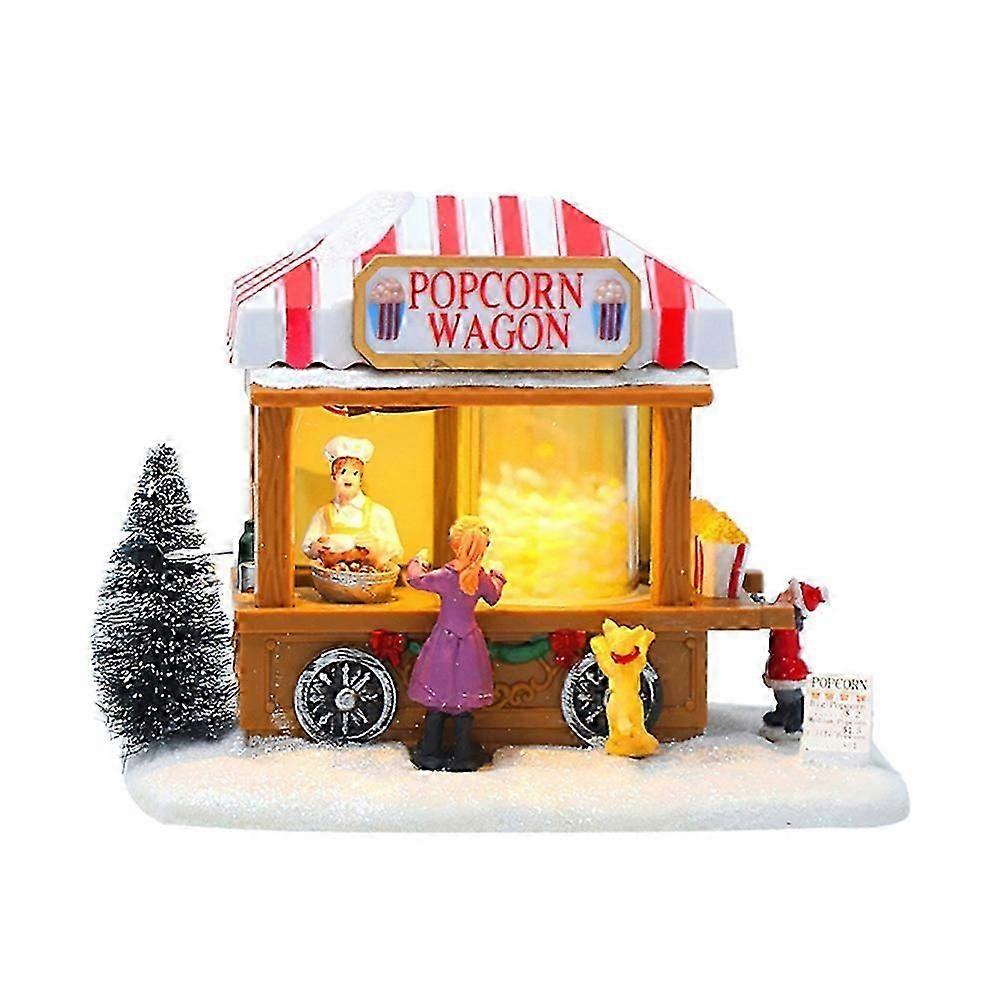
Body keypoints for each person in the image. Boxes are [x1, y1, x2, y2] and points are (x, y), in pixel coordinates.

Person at [406, 516, 506, 771]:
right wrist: (497, 575)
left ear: (454, 544)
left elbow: (416, 580)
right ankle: (463, 754)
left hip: (444, 639)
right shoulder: (479, 578)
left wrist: (418, 561)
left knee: (438, 696)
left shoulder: (445, 575)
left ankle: (430, 751)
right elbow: (493, 597)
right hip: (469, 640)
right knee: (464, 699)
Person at [301, 436, 403, 569]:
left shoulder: (379, 514)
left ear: (360, 480)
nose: (348, 478)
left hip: (367, 577)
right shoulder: (323, 514)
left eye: (355, 473)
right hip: (332, 577)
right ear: (333, 477)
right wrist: (316, 548)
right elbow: (309, 547)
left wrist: (377, 548)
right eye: (343, 472)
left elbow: (396, 551)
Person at [762, 579, 828, 740]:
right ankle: (783, 713)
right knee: (783, 695)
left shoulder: (785, 623)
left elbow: (784, 648)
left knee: (788, 696)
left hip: (785, 668)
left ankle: (794, 723)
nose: (781, 595)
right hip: (782, 666)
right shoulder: (784, 618)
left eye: (787, 594)